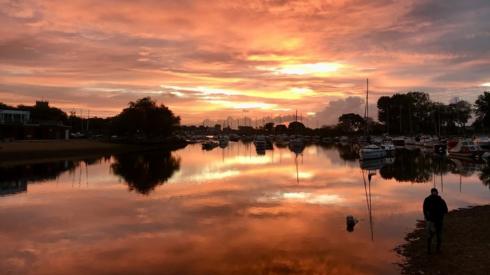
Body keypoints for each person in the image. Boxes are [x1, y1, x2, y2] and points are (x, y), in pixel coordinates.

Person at [423, 188, 448, 254]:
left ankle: (437, 250)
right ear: (431, 192)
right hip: (431, 221)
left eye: (435, 192)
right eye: (433, 192)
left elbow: (446, 210)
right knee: (430, 236)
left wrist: (441, 214)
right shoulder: (427, 200)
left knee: (439, 236)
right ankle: (429, 250)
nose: (434, 193)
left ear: (437, 192)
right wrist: (427, 218)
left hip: (439, 221)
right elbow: (424, 210)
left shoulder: (441, 200)